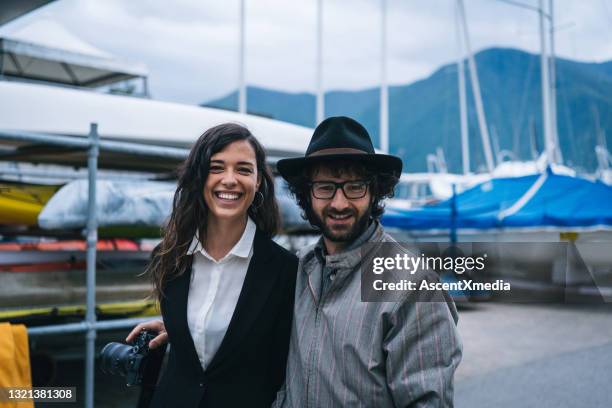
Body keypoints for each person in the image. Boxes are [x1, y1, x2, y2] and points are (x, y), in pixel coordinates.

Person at [273, 116, 462, 407]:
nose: (339, 203)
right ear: (306, 194)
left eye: (354, 187)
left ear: (375, 191)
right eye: (325, 187)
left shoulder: (414, 287)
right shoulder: (299, 270)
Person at [126, 123, 297, 408]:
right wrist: (183, 332)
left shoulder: (284, 270)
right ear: (199, 177)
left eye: (243, 169)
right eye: (216, 167)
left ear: (258, 182)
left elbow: (284, 362)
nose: (229, 179)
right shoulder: (169, 256)